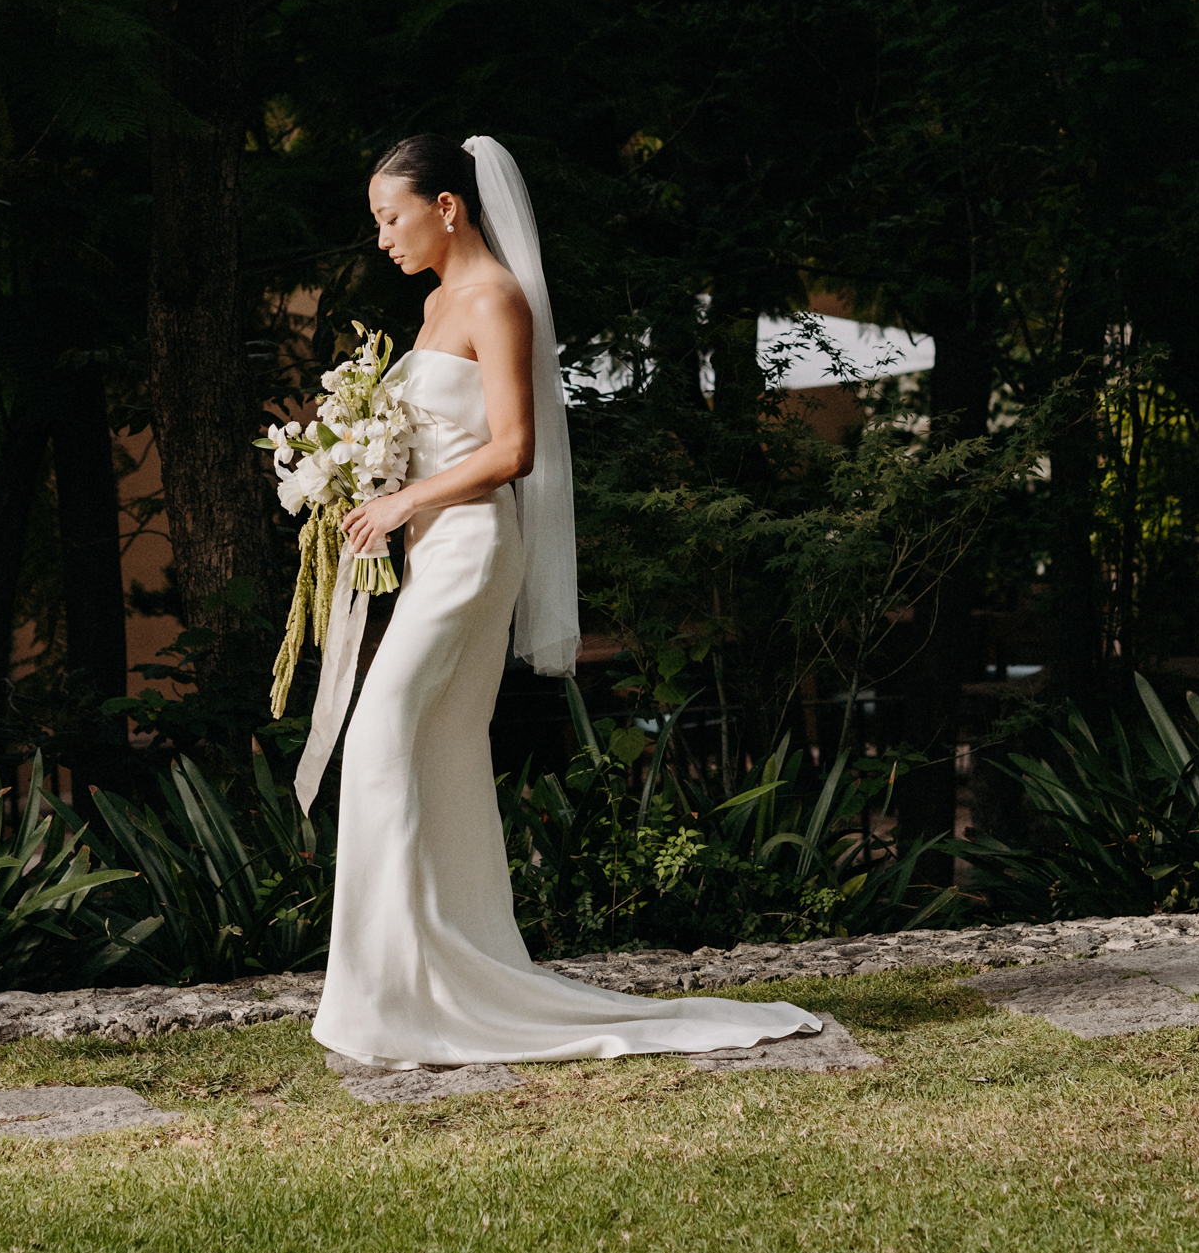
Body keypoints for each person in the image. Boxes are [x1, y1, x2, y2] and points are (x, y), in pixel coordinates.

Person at [307, 133, 823, 1069]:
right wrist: (357, 469)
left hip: (470, 548)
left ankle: (390, 995)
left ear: (447, 207)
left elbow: (514, 450)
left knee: (382, 731)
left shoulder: (496, 298)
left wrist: (404, 498)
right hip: (431, 550)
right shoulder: (431, 304)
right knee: (438, 750)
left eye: (392, 216)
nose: (381, 237)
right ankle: (439, 976)